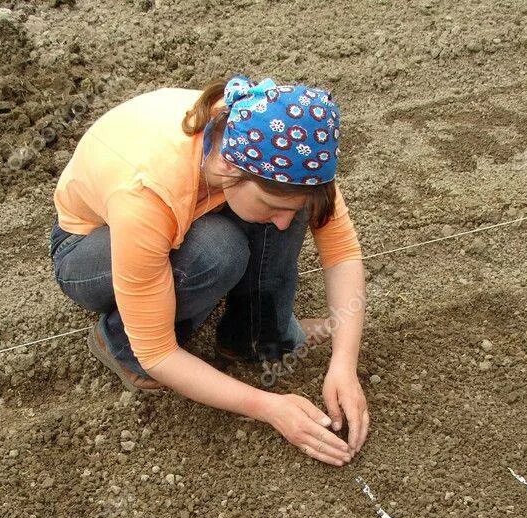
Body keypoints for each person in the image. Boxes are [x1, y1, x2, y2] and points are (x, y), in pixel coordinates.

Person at [50, 74, 368, 466]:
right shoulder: (148, 193)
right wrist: (267, 406)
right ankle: (117, 342)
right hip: (89, 245)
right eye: (270, 202)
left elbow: (341, 253)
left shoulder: (287, 146)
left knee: (293, 211)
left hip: (177, 208)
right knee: (217, 250)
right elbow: (158, 353)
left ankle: (256, 335)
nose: (284, 224)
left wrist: (344, 364)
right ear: (232, 170)